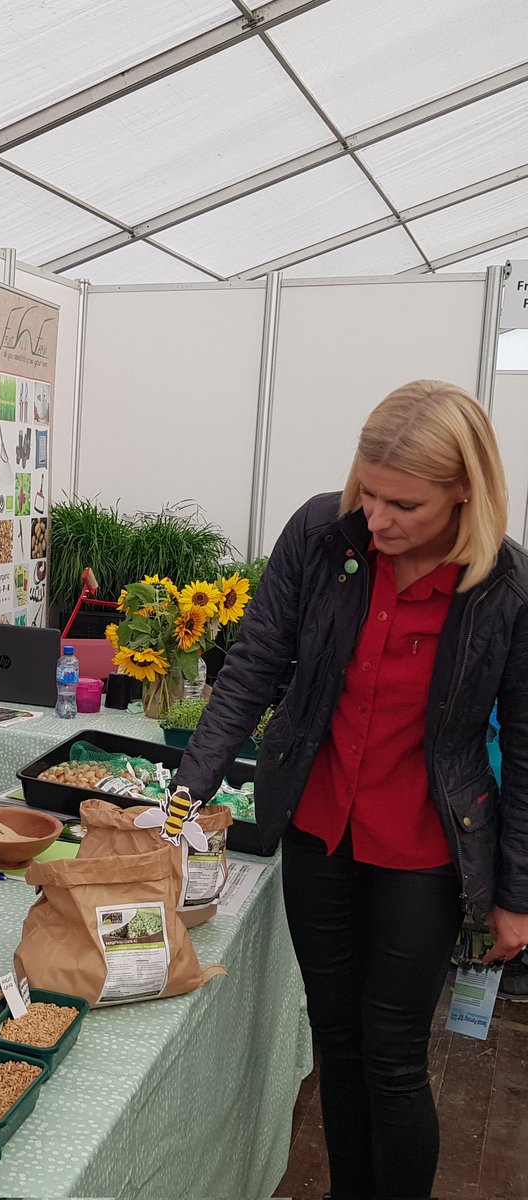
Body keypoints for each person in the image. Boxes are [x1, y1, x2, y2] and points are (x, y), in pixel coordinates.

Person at [174, 379, 528, 1200]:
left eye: (403, 503)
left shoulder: (505, 588)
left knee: (394, 1056)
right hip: (319, 830)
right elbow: (256, 665)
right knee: (334, 1039)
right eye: (368, 491)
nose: (377, 519)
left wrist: (515, 893)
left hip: (425, 851)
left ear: (464, 492)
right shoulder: (319, 532)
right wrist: (185, 795)